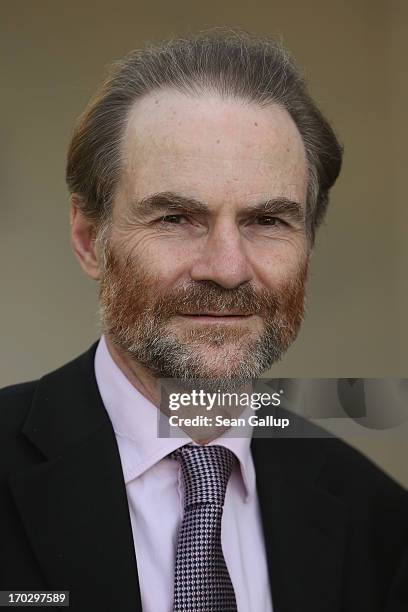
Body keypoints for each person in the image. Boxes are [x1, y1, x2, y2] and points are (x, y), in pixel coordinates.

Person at [0, 29, 407, 612]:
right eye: (175, 217)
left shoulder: (379, 524)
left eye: (268, 220)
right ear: (89, 238)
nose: (227, 269)